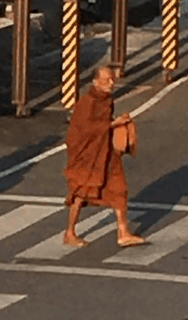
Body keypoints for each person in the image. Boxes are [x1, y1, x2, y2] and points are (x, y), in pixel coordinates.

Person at [63, 66, 146, 248]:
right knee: (80, 193)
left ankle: (123, 232)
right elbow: (84, 129)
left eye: (111, 80)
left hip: (106, 151)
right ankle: (70, 232)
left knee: (119, 188)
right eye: (106, 80)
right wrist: (111, 124)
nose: (111, 84)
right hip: (87, 154)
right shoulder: (87, 102)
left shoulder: (107, 100)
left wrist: (118, 124)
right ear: (94, 81)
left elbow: (103, 123)